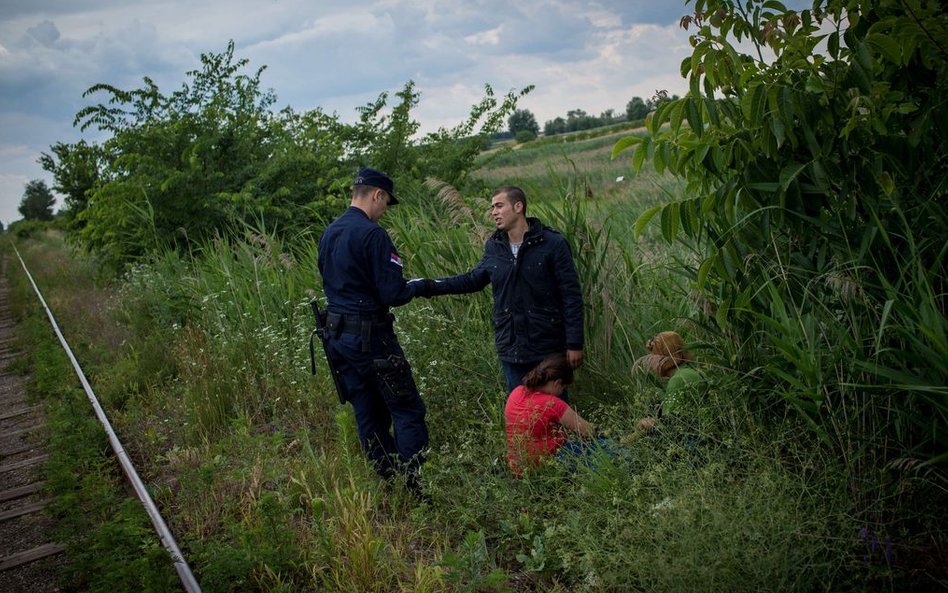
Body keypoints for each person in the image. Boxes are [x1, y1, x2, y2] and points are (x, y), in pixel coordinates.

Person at [317, 167, 429, 488]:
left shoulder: (329, 233)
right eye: (386, 203)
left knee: (367, 411)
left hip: (338, 339)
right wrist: (419, 286)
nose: (385, 211)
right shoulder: (373, 235)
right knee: (406, 409)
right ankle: (416, 486)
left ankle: (387, 480)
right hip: (372, 339)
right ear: (377, 195)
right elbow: (394, 293)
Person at [420, 186, 584, 394]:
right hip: (511, 347)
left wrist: (574, 343)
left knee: (554, 407)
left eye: (499, 206)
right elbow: (472, 280)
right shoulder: (495, 246)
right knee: (519, 408)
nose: (493, 212)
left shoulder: (552, 243)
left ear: (518, 206)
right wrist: (427, 286)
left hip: (548, 345)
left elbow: (571, 296)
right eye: (492, 208)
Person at [504, 354, 596, 476]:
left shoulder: (517, 391)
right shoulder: (552, 403)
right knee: (604, 447)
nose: (562, 392)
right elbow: (587, 431)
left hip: (518, 465)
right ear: (557, 383)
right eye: (563, 387)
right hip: (546, 464)